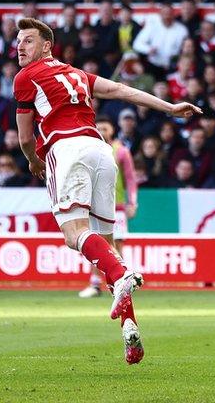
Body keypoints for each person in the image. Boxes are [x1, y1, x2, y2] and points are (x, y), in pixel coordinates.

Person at [13, 18, 201, 365]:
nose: (20, 47)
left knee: (75, 235)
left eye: (27, 41)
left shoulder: (25, 78)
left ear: (46, 46)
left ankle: (122, 276)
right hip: (101, 151)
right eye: (18, 41)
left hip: (66, 150)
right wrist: (170, 108)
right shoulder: (77, 74)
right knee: (108, 248)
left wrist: (33, 161)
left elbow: (26, 138)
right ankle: (130, 326)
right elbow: (120, 90)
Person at [79, 118, 138, 299]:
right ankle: (95, 284)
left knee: (116, 245)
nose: (102, 131)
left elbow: (130, 179)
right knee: (95, 244)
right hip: (94, 206)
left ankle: (121, 281)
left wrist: (132, 202)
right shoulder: (90, 151)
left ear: (112, 129)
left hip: (116, 207)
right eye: (99, 128)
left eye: (105, 128)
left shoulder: (120, 151)